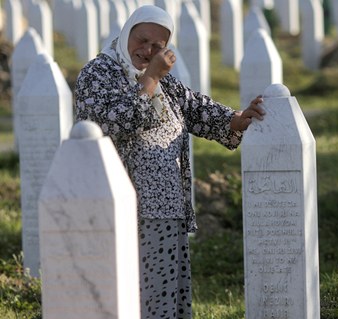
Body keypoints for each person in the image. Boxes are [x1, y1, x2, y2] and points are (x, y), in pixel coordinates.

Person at [74, 5, 265, 319]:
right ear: (126, 34)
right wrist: (150, 79)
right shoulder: (98, 73)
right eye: (142, 39)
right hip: (121, 207)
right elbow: (110, 122)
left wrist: (235, 119)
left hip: (166, 206)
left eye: (158, 46)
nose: (148, 50)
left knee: (163, 297)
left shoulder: (164, 81)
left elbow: (193, 106)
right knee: (129, 295)